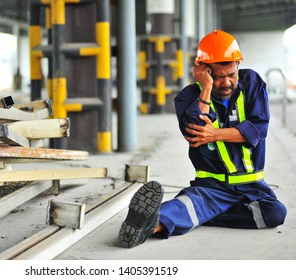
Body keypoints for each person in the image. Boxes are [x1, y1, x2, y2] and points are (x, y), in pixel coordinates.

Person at [118, 30, 287, 249]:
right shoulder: (187, 97)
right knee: (194, 202)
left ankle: (202, 214)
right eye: (217, 77)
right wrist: (206, 89)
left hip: (252, 187)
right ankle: (149, 226)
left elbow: (257, 130)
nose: (226, 83)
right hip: (211, 186)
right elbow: (194, 134)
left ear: (238, 65)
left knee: (275, 213)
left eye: (231, 75)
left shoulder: (252, 82)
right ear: (202, 70)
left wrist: (216, 134)